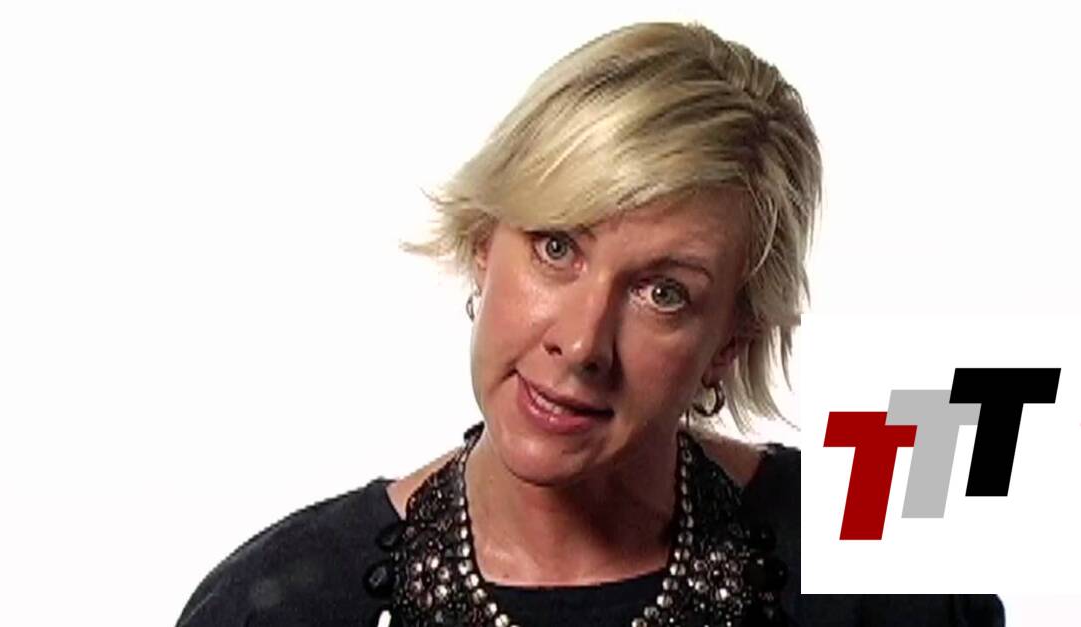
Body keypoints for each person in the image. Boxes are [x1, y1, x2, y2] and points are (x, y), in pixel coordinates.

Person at [175, 21, 1003, 626]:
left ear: (729, 342)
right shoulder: (280, 601)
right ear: (482, 244)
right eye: (557, 247)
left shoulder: (893, 571)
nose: (579, 343)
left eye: (663, 292)